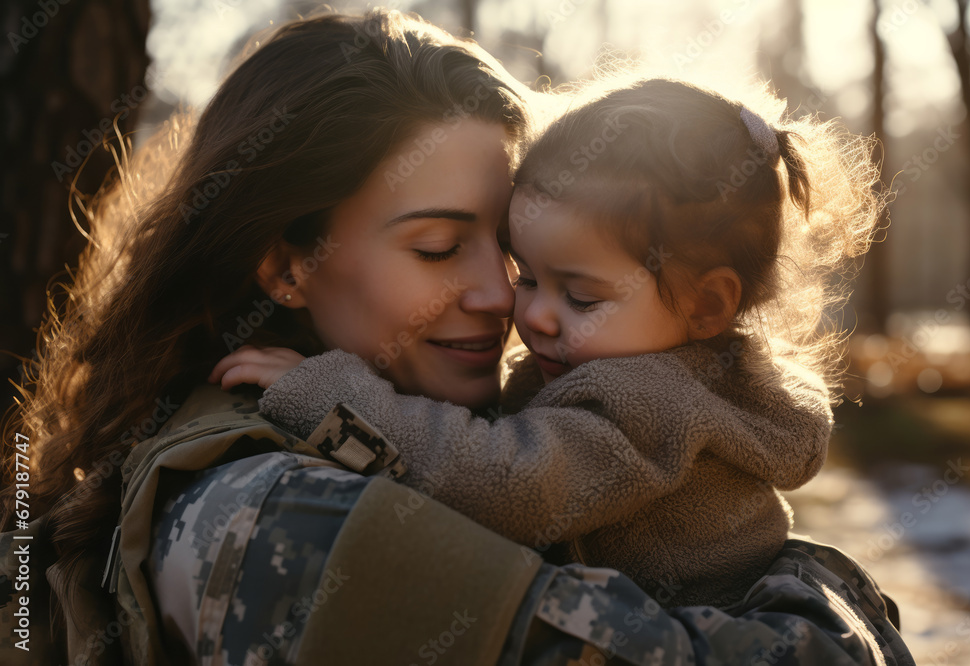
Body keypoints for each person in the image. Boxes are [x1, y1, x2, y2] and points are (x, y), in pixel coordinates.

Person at [0, 8, 913, 666]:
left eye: (508, 248)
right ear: (284, 266)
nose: (500, 295)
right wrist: (830, 597)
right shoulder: (282, 518)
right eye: (438, 247)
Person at [212, 76, 878, 609]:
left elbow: (505, 481)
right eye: (526, 274)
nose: (526, 311)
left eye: (581, 297)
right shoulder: (644, 364)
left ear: (707, 304)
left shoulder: (650, 399)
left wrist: (331, 396)